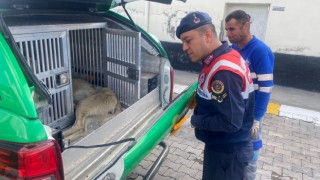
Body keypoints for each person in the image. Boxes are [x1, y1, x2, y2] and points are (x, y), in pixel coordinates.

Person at [176, 11, 255, 180]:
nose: (184, 47)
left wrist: (196, 120)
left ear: (208, 35)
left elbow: (231, 122)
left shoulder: (223, 71)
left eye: (188, 41)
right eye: (182, 42)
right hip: (224, 149)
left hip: (227, 155)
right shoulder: (222, 58)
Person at [225, 10, 275, 180]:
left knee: (250, 154)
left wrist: (256, 118)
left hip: (251, 115)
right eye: (226, 29)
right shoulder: (232, 50)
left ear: (246, 26)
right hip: (235, 112)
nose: (228, 33)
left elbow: (265, 88)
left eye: (232, 29)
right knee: (235, 152)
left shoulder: (260, 51)